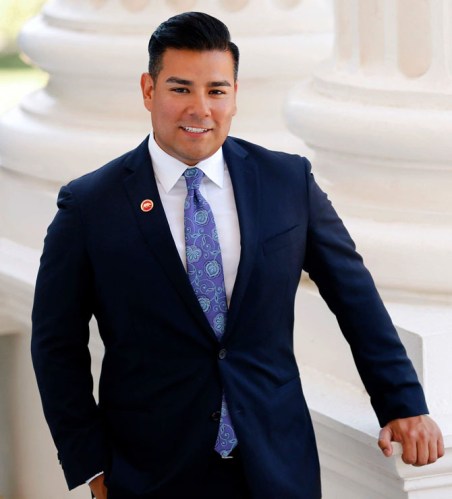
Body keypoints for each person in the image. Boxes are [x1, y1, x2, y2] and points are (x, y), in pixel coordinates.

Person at [31, 11, 444, 499]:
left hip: (276, 464)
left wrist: (402, 402)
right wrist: (91, 465)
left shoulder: (287, 182)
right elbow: (56, 344)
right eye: (180, 89)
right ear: (148, 89)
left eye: (216, 90)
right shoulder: (89, 206)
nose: (200, 109)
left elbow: (354, 297)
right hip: (149, 473)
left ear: (234, 95)